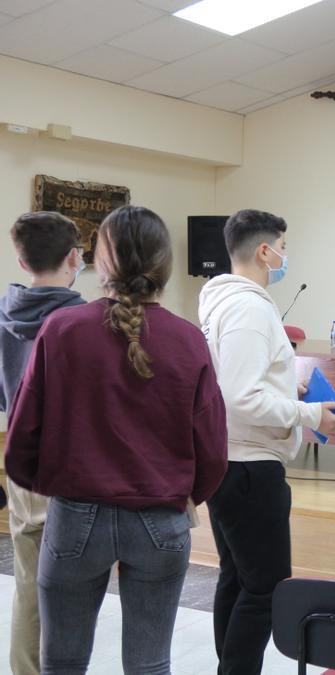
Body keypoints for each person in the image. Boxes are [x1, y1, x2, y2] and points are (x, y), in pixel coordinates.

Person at [5, 205, 229, 674]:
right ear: (164, 265)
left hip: (74, 517)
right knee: (149, 664)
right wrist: (181, 495)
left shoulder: (62, 330)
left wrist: (56, 487)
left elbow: (22, 441)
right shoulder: (188, 340)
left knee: (61, 662)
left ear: (97, 263)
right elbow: (212, 450)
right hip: (159, 516)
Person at [199, 209, 335, 674]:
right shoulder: (250, 307)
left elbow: (241, 381)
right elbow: (240, 397)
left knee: (239, 579)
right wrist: (309, 413)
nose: (286, 257)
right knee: (266, 589)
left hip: (231, 461)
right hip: (250, 468)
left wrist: (289, 389)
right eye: (283, 246)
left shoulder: (223, 300)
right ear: (264, 251)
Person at [0, 211, 87, 675]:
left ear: (20, 260)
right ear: (75, 257)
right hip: (73, 468)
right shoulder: (82, 319)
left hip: (21, 463)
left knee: (29, 584)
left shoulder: (2, 314)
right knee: (76, 589)